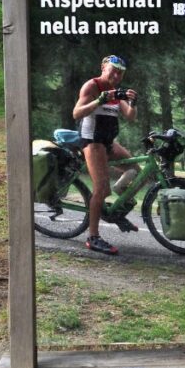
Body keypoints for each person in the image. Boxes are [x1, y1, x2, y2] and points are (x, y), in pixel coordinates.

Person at [72, 55, 138, 255]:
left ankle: (117, 209)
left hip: (108, 142)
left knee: (135, 170)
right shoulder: (92, 86)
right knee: (101, 189)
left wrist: (132, 102)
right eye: (113, 70)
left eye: (120, 73)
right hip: (92, 142)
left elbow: (130, 116)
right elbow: (76, 113)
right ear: (103, 67)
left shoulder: (117, 92)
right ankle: (93, 237)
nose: (116, 75)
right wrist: (100, 100)